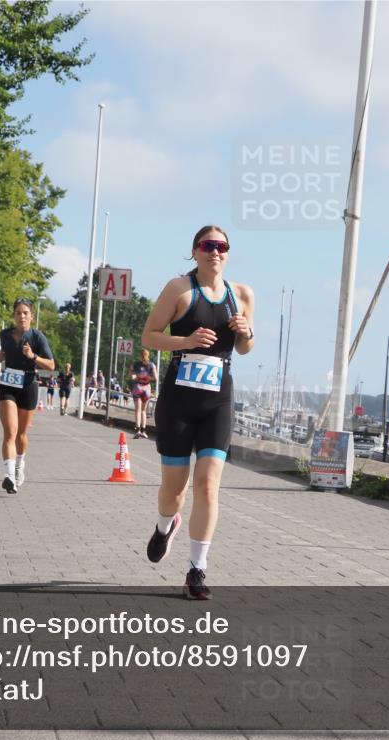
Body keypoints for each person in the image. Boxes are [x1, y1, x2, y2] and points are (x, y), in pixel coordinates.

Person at [141, 225, 255, 600]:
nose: (215, 252)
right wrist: (187, 341)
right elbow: (149, 336)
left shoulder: (241, 295)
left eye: (222, 246)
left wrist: (246, 333)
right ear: (195, 250)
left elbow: (245, 349)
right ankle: (164, 526)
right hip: (179, 399)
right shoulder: (179, 289)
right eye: (208, 245)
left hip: (217, 400)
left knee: (208, 485)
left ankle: (197, 571)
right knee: (174, 491)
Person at [0, 299, 55, 494]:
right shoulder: (6, 335)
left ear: (31, 316)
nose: (22, 316)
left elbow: (51, 366)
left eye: (25, 313)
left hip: (28, 385)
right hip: (9, 385)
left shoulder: (37, 337)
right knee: (10, 431)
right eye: (18, 313)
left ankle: (19, 465)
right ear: (14, 316)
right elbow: (4, 351)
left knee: (21, 435)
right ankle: (9, 476)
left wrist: (33, 357)